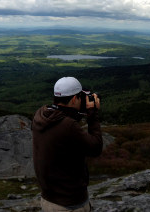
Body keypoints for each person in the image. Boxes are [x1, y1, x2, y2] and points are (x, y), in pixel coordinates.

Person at [33, 77, 104, 212]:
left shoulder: (41, 115)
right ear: (73, 100)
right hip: (70, 204)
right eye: (79, 97)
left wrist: (79, 111)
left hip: (48, 200)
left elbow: (63, 123)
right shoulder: (68, 126)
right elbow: (96, 148)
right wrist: (92, 114)